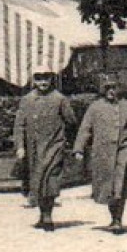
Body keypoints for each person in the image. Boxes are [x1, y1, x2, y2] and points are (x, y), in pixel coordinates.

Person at [74, 74, 127, 233]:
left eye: (114, 87)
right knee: (107, 187)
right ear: (102, 90)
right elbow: (85, 129)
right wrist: (78, 148)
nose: (111, 91)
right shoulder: (95, 107)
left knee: (119, 185)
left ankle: (118, 219)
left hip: (122, 151)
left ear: (120, 88)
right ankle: (113, 218)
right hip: (102, 153)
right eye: (108, 88)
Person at [13, 68, 77, 231]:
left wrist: (65, 141)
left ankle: (48, 215)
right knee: (37, 181)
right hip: (33, 149)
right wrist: (20, 147)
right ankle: (42, 214)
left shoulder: (59, 99)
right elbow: (19, 125)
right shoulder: (27, 100)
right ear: (33, 80)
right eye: (39, 79)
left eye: (46, 78)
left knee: (51, 179)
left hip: (53, 146)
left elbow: (71, 121)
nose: (43, 83)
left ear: (51, 80)